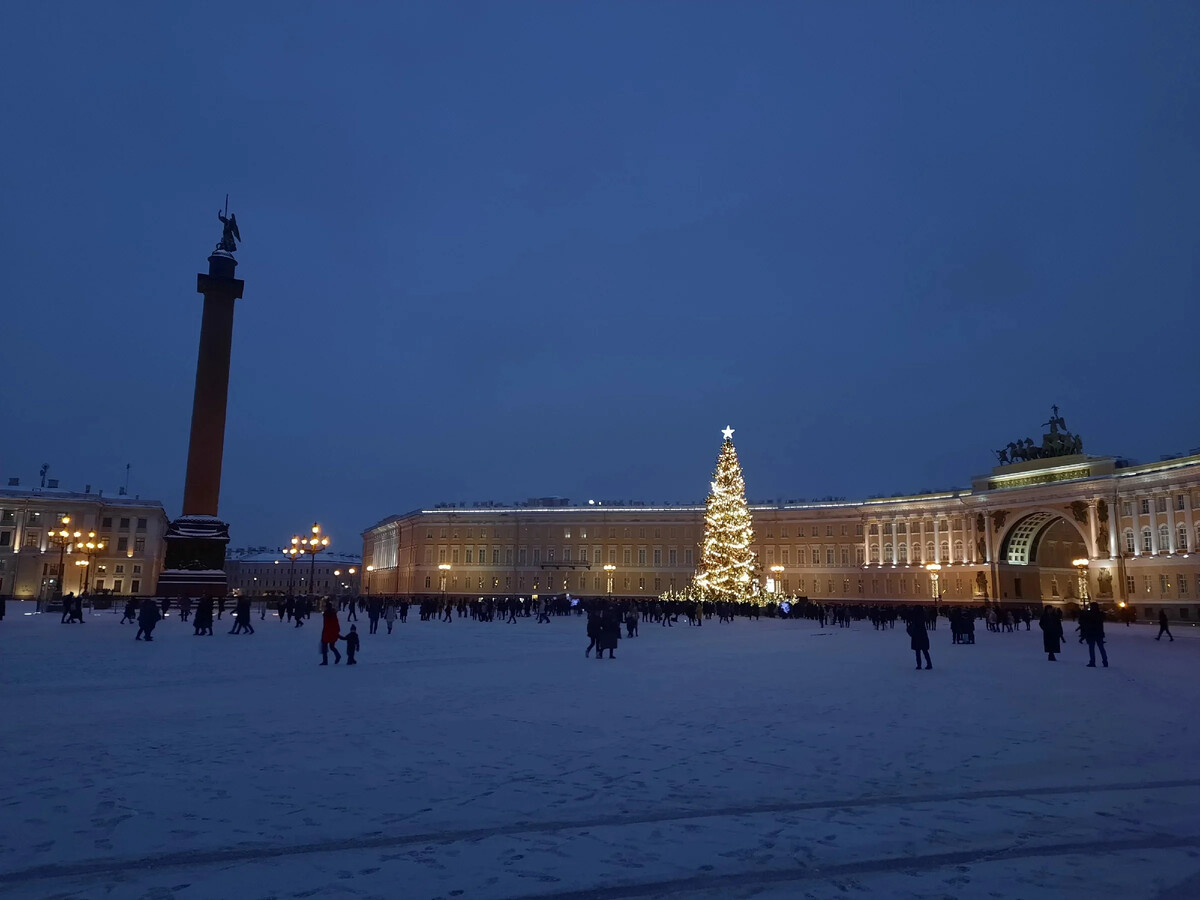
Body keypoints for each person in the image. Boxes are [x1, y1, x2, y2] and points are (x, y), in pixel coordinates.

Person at [1080, 602, 1109, 667]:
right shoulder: (1100, 614)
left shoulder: (1088, 614)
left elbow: (1083, 621)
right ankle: (1105, 661)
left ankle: (1092, 662)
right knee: (1101, 648)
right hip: (1099, 633)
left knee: (1091, 648)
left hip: (1091, 633)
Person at [320, 600, 342, 665]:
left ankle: (325, 661)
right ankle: (337, 655)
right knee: (332, 646)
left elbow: (326, 624)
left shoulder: (326, 614)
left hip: (327, 632)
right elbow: (336, 623)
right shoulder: (334, 614)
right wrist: (337, 631)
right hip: (333, 632)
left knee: (324, 646)